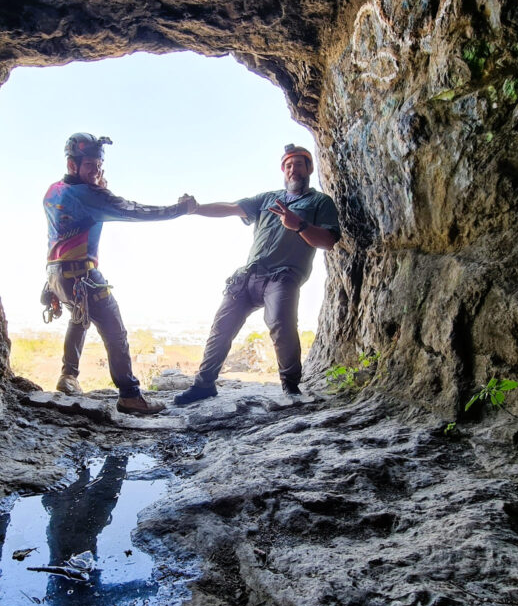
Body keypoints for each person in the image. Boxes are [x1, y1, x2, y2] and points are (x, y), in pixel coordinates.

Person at [44, 133, 196, 415]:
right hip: (82, 274)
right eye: (91, 165)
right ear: (72, 163)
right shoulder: (90, 194)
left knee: (80, 319)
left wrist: (97, 188)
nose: (97, 171)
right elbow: (135, 211)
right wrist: (179, 209)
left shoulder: (53, 191)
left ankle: (68, 377)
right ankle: (130, 395)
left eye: (100, 166)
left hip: (57, 273)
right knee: (114, 330)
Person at [175, 144, 340, 404]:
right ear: (283, 171)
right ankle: (204, 384)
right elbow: (231, 208)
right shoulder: (268, 199)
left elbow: (329, 240)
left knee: (281, 325)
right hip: (249, 276)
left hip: (283, 277)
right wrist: (195, 208)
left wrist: (299, 225)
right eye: (288, 165)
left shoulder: (320, 202)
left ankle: (291, 387)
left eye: (298, 164)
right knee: (222, 327)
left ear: (309, 168)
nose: (292, 169)